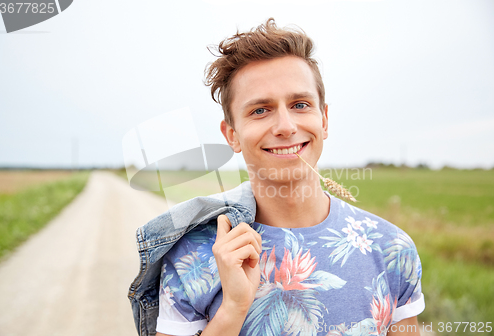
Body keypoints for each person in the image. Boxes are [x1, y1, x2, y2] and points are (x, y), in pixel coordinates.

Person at [153, 18, 425, 336]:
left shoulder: (392, 248)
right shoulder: (193, 256)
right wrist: (233, 310)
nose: (285, 126)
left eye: (299, 104)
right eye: (260, 110)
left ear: (324, 119)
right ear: (232, 135)